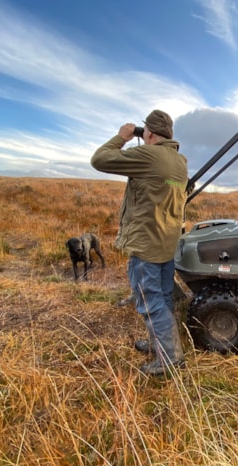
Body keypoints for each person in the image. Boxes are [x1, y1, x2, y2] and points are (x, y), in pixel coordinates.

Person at [91, 110, 187, 376]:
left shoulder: (149, 155)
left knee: (150, 301)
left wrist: (122, 137)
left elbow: (99, 160)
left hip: (146, 244)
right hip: (166, 242)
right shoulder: (179, 161)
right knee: (164, 298)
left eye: (145, 131)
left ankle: (168, 360)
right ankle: (162, 346)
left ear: (151, 133)